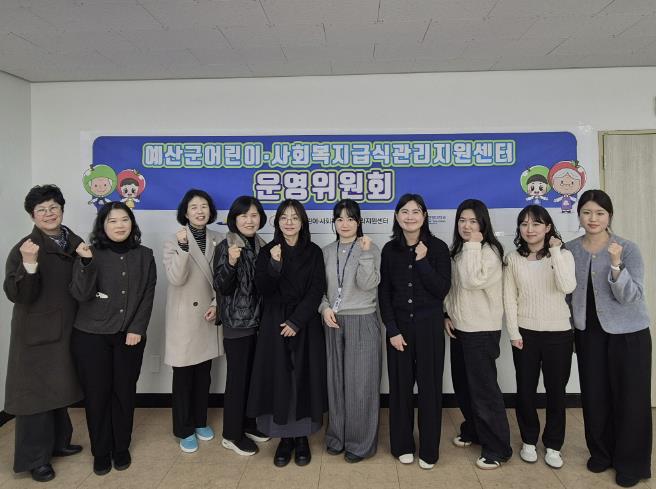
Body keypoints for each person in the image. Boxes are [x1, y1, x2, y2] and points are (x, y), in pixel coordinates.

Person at [568, 190, 652, 488]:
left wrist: (616, 265)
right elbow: (566, 294)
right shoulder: (569, 249)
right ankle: (601, 453)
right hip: (588, 334)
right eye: (587, 212)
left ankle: (631, 463)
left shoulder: (627, 248)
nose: (593, 218)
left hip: (629, 334)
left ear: (609, 216)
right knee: (594, 396)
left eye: (599, 213)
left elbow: (632, 296)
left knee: (631, 399)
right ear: (579, 215)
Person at [3, 185, 84, 482]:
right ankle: (35, 459)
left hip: (67, 327)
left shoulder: (73, 241)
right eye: (41, 210)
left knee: (59, 386)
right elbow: (18, 295)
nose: (49, 214)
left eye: (53, 208)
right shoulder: (25, 247)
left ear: (62, 210)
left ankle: (59, 442)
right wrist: (29, 264)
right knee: (34, 395)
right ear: (32, 216)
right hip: (36, 332)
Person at [70, 201, 157, 476]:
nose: (120, 225)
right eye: (112, 221)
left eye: (124, 220)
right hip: (90, 336)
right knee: (97, 396)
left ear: (132, 224)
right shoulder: (90, 253)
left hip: (129, 336)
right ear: (102, 226)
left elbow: (148, 294)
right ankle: (101, 451)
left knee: (124, 393)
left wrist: (137, 328)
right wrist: (85, 263)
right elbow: (80, 294)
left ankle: (121, 447)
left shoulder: (145, 255)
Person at [247, 199, 327, 467]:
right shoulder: (268, 251)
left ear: (302, 222)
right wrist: (274, 264)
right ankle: (284, 438)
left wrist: (296, 321)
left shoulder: (314, 252)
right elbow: (263, 289)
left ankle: (302, 437)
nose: (289, 222)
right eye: (284, 217)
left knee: (303, 378)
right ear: (277, 222)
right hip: (274, 322)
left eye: (294, 217)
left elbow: (317, 289)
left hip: (305, 323)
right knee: (279, 379)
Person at [378, 193, 451, 470]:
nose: (410, 217)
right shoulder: (389, 250)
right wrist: (392, 330)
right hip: (399, 330)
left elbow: (441, 289)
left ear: (424, 216)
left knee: (430, 390)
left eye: (416, 211)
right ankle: (402, 445)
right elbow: (384, 294)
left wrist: (422, 261)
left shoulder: (438, 248)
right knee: (400, 390)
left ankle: (429, 450)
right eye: (404, 212)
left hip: (429, 329)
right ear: (397, 217)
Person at [503, 205, 576, 469]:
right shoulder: (513, 258)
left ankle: (554, 445)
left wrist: (555, 251)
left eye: (536, 224)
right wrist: (513, 332)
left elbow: (567, 286)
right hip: (525, 333)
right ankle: (529, 441)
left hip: (559, 333)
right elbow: (509, 298)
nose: (530, 229)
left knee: (556, 392)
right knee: (525, 391)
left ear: (547, 227)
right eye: (524, 224)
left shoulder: (563, 254)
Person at [444, 199, 512, 470]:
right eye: (462, 220)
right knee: (463, 386)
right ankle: (473, 429)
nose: (467, 226)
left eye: (473, 221)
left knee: (484, 391)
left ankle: (498, 448)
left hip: (481, 331)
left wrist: (473, 244)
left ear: (483, 223)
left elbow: (472, 281)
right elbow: (453, 289)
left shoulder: (489, 251)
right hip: (460, 328)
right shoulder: (459, 251)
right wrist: (447, 314)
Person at [320, 199, 382, 463]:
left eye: (350, 219)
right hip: (333, 320)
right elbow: (318, 288)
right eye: (339, 219)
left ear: (359, 222)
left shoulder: (370, 247)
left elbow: (368, 284)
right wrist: (324, 308)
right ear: (334, 222)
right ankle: (337, 437)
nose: (344, 224)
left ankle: (360, 443)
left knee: (361, 384)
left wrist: (365, 254)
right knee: (335, 382)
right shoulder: (326, 251)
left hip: (362, 320)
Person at [163, 189, 223, 453]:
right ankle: (184, 429)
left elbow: (224, 278)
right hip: (185, 319)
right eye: (194, 207)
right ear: (185, 213)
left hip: (208, 314)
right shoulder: (173, 241)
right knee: (183, 377)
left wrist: (217, 304)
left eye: (204, 206)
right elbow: (176, 278)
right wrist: (184, 248)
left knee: (203, 374)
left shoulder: (219, 239)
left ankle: (200, 421)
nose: (200, 211)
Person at [214, 195, 270, 456]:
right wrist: (231, 262)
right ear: (234, 219)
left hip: (259, 323)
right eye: (244, 215)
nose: (249, 220)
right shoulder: (227, 245)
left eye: (254, 215)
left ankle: (248, 424)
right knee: (237, 380)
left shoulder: (261, 244)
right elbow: (221, 286)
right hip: (237, 324)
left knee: (252, 378)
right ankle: (231, 434)